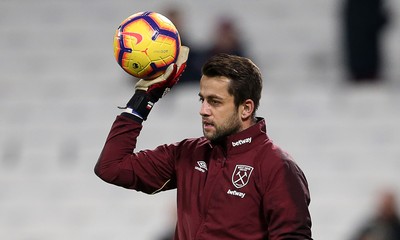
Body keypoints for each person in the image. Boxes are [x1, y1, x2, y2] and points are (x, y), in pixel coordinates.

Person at [95, 46, 313, 239]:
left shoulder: (277, 167)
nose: (203, 110)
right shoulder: (188, 153)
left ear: (246, 108)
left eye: (215, 102)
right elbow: (111, 167)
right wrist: (145, 98)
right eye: (203, 99)